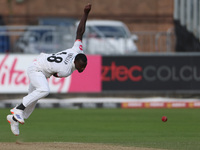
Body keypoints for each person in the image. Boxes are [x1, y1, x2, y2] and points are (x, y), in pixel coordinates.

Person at [7, 3, 92, 136]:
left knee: (33, 101)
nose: (83, 69)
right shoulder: (65, 71)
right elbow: (55, 75)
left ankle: (13, 119)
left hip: (41, 69)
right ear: (75, 61)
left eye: (84, 66)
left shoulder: (77, 49)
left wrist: (86, 13)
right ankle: (17, 109)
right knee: (44, 90)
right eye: (81, 66)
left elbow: (80, 32)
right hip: (36, 69)